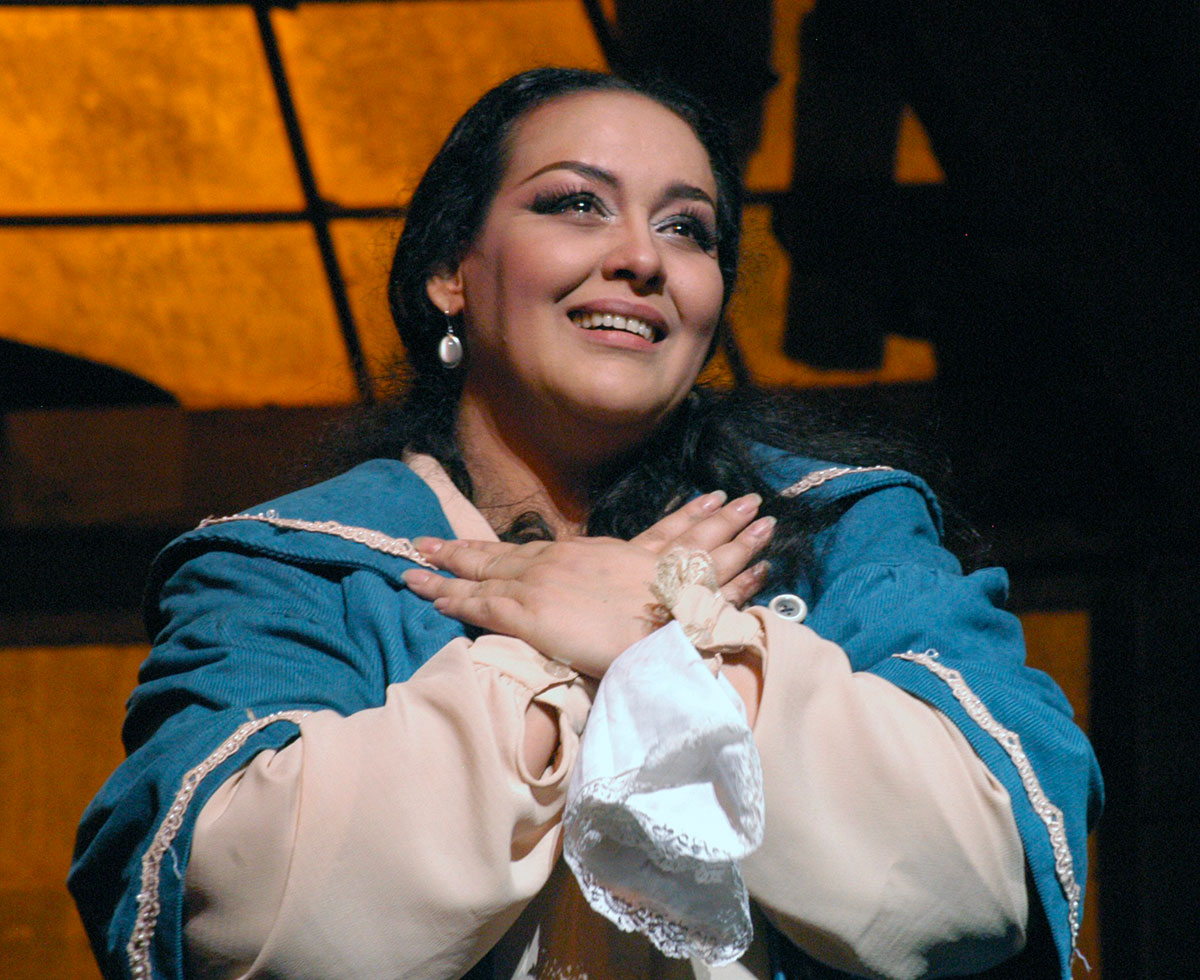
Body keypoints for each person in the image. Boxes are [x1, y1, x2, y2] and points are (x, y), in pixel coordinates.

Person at [70, 68, 1101, 980]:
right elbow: (247, 922)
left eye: (687, 228)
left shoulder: (848, 532)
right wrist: (545, 656)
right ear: (450, 270)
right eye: (576, 204)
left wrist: (684, 641)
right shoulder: (292, 571)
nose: (642, 257)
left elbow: (979, 882)